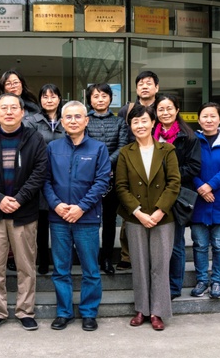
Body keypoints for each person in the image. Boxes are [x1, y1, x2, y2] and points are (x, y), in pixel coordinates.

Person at [0, 93, 47, 331]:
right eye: (3, 108)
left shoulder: (35, 138)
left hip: (24, 213)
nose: (8, 112)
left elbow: (39, 172)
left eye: (13, 108)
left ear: (22, 112)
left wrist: (19, 199)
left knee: (26, 266)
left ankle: (25, 310)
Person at [44, 101, 111, 332]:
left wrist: (81, 208)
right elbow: (45, 180)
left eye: (78, 116)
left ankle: (89, 313)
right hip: (59, 218)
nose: (73, 121)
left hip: (87, 218)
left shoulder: (98, 148)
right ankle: (64, 312)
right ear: (62, 122)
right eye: (68, 117)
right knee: (60, 269)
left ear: (86, 120)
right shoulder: (52, 148)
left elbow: (102, 182)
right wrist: (56, 205)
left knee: (90, 269)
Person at [116, 105, 180, 331]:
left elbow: (174, 183)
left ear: (153, 123)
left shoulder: (167, 150)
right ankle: (142, 309)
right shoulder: (126, 152)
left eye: (144, 121)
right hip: (136, 218)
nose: (140, 125)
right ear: (130, 126)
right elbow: (121, 186)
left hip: (163, 217)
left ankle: (157, 312)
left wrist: (160, 210)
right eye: (135, 122)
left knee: (160, 265)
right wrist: (138, 212)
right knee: (140, 264)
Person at [153, 94, 202, 300]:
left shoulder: (188, 137)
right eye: (161, 109)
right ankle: (157, 283)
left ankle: (174, 286)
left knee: (175, 244)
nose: (165, 113)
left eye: (169, 108)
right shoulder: (150, 134)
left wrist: (168, 175)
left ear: (177, 110)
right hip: (152, 195)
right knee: (155, 244)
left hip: (177, 195)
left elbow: (194, 167)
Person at [190, 102, 220, 300]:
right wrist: (200, 187)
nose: (209, 120)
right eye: (205, 116)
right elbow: (188, 166)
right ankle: (202, 280)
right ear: (198, 119)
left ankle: (217, 281)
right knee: (200, 244)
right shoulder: (193, 139)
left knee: (219, 244)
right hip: (198, 201)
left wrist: (209, 186)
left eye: (213, 116)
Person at [116, 70, 161, 271]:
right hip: (132, 162)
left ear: (156, 87)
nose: (144, 86)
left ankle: (154, 256)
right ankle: (127, 255)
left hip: (158, 163)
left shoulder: (162, 107)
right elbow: (121, 136)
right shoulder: (127, 110)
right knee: (131, 210)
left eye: (148, 83)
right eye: (140, 83)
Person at [85, 83, 128, 275]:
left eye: (104, 95)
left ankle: (107, 258)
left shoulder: (120, 122)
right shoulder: (85, 120)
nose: (100, 99)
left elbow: (122, 146)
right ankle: (90, 259)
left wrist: (105, 164)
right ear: (90, 99)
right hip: (89, 178)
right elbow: (83, 144)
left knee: (110, 220)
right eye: (95, 96)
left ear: (110, 98)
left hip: (112, 177)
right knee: (90, 220)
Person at [24, 84, 66, 275]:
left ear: (59, 99)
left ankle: (61, 260)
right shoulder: (32, 121)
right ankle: (43, 259)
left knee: (60, 220)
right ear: (40, 100)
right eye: (45, 97)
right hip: (39, 176)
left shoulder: (67, 119)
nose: (49, 100)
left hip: (63, 176)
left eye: (53, 96)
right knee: (41, 222)